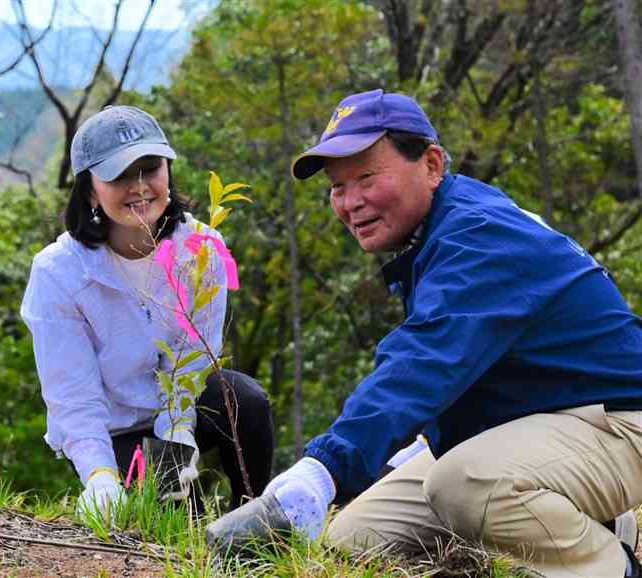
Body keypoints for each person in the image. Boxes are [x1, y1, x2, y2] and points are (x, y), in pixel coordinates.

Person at [209, 89, 642, 578]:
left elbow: (422, 363)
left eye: (367, 177)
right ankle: (580, 519)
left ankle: (608, 564)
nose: (350, 202)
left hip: (616, 420)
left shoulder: (478, 234)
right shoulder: (437, 230)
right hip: (529, 420)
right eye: (337, 186)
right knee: (353, 543)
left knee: (464, 486)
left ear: (432, 164)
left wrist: (318, 473)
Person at [20, 105, 274, 519]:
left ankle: (254, 519)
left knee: (243, 398)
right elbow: (73, 397)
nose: (139, 187)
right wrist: (100, 476)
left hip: (177, 408)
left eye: (149, 168)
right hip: (112, 430)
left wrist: (177, 438)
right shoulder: (58, 272)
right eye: (119, 176)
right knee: (178, 523)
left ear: (167, 172)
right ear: (89, 191)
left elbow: (192, 362)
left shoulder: (201, 248)